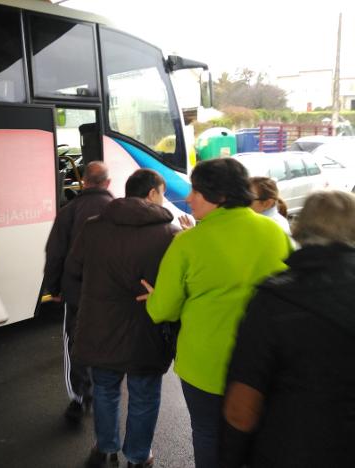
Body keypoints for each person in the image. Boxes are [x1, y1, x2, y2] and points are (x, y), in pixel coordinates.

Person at [140, 158, 292, 468]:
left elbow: (162, 310)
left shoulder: (188, 243)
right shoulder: (275, 233)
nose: (188, 197)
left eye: (198, 191)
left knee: (208, 434)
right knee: (256, 434)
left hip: (204, 365)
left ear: (221, 196)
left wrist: (155, 298)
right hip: (264, 362)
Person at [221, 191, 355, 468]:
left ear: (299, 229)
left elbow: (242, 407)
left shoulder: (274, 298)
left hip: (290, 449)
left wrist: (230, 458)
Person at [67, 169, 179, 468]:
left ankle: (105, 449)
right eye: (162, 192)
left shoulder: (94, 227)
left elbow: (75, 268)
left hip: (100, 326)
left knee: (105, 389)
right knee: (144, 394)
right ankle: (138, 456)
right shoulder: (169, 233)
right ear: (153, 193)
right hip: (148, 328)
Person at [42, 161, 114, 423]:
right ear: (108, 183)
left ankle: (80, 397)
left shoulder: (69, 210)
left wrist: (54, 287)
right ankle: (106, 392)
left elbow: (55, 252)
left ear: (84, 182)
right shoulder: (118, 209)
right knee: (108, 341)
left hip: (76, 293)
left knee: (76, 343)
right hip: (111, 295)